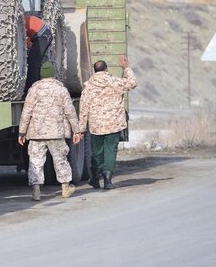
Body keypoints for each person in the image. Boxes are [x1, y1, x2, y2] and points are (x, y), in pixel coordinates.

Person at [18, 61, 83, 201]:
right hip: (56, 132)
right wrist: (77, 131)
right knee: (60, 160)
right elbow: (70, 112)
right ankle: (65, 188)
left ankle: (36, 191)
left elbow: (26, 112)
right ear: (54, 74)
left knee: (35, 161)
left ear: (42, 75)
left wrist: (22, 132)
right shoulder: (61, 89)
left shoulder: (34, 90)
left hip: (36, 133)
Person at [79, 55, 137, 190]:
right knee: (110, 151)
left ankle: (94, 177)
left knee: (97, 153)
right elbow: (133, 82)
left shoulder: (88, 87)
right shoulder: (115, 82)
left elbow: (83, 109)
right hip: (114, 124)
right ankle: (108, 180)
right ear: (106, 69)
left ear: (95, 71)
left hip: (96, 126)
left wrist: (81, 129)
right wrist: (126, 67)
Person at [25, 14, 53, 91]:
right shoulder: (26, 20)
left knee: (33, 62)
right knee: (35, 62)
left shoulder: (22, 23)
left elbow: (28, 44)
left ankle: (31, 89)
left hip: (43, 36)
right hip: (42, 35)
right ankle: (36, 85)